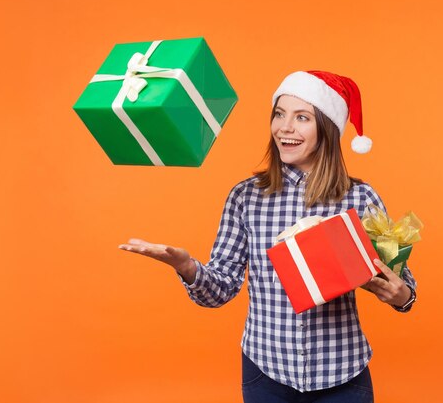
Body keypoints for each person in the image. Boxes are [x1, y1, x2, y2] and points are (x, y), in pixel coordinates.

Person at [119, 70, 417, 403]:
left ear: (328, 129)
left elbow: (403, 286)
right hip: (266, 373)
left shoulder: (361, 197)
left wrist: (400, 295)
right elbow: (219, 290)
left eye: (302, 117)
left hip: (343, 374)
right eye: (279, 114)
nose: (285, 127)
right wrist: (187, 267)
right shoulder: (245, 197)